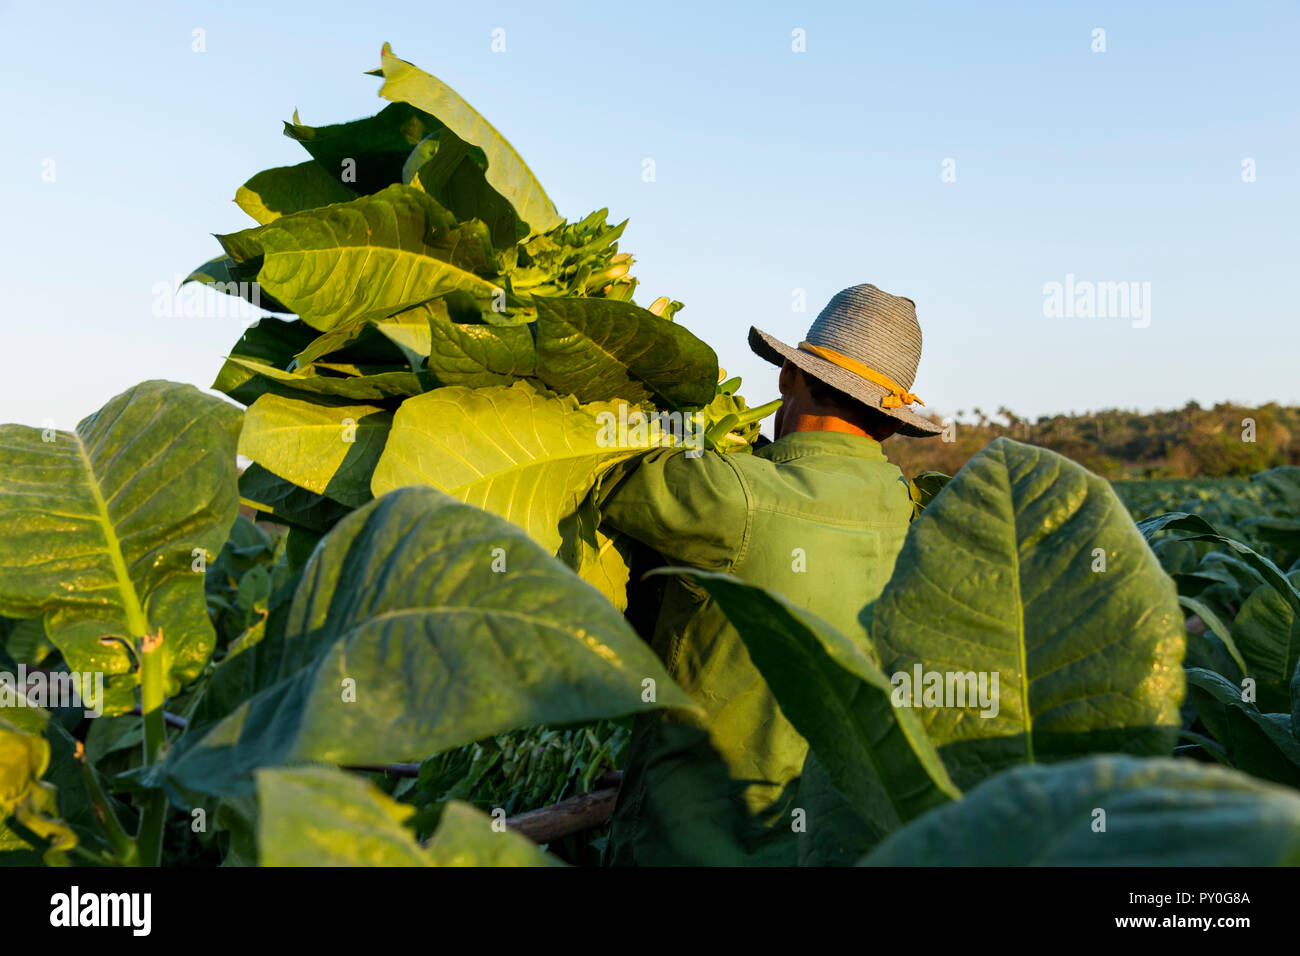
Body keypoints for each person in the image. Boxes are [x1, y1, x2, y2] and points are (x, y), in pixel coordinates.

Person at [599, 283, 943, 865]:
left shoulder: (727, 494)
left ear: (788, 376)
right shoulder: (917, 518)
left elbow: (607, 472)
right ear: (890, 427)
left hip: (690, 846)